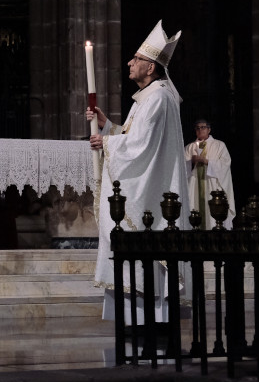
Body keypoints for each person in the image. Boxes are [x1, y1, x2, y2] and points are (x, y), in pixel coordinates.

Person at [86, 20, 190, 324]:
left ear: (151, 67)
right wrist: (108, 127)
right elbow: (137, 137)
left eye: (137, 59)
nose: (130, 63)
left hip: (150, 191)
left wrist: (106, 142)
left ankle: (147, 319)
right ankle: (137, 319)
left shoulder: (157, 97)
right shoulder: (150, 96)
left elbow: (141, 146)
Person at [184, 119, 236, 229]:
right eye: (197, 128)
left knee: (213, 217)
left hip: (212, 186)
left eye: (203, 127)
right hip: (194, 186)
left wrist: (207, 162)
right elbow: (181, 168)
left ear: (209, 129)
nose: (200, 130)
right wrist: (191, 162)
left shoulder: (219, 145)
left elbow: (225, 164)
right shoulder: (190, 147)